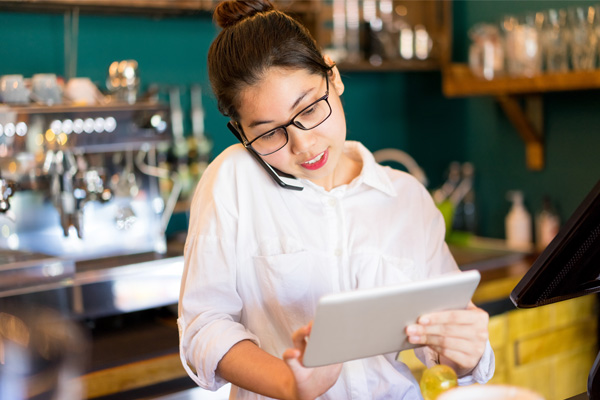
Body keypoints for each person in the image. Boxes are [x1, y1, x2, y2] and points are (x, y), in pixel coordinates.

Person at [178, 1, 495, 399]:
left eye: (309, 108)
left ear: (334, 76)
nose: (303, 143)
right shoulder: (234, 180)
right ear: (240, 132)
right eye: (269, 133)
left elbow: (445, 340)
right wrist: (291, 384)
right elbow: (203, 326)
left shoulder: (406, 197)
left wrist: (464, 354)